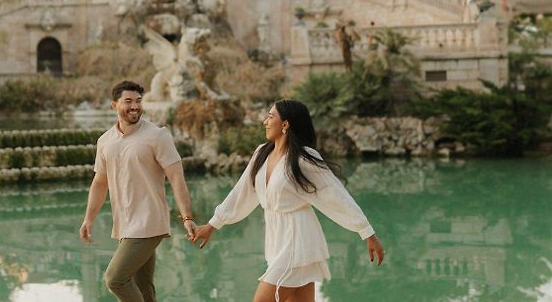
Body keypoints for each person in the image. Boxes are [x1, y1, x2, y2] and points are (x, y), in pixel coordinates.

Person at [192, 99, 385, 302]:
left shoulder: (303, 158)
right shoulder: (262, 153)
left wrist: (367, 232)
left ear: (285, 124)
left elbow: (336, 195)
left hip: (297, 239)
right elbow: (241, 192)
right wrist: (213, 224)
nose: (265, 121)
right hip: (276, 240)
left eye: (270, 116)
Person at [79, 80, 196, 302]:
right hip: (124, 224)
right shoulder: (105, 141)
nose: (135, 106)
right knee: (143, 288)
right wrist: (88, 219)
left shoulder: (157, 135)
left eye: (139, 101)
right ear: (114, 105)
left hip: (149, 223)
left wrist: (187, 217)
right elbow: (100, 182)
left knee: (115, 279)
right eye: (128, 101)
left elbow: (176, 176)